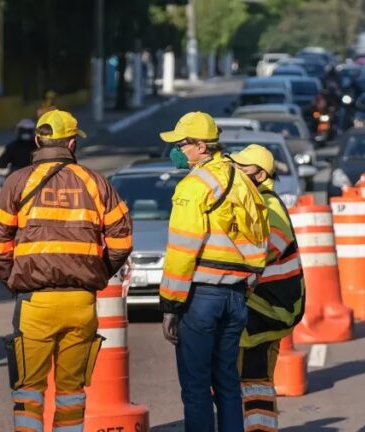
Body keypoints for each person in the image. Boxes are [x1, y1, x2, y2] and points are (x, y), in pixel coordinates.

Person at [0, 109, 133, 432]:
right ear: (71, 144)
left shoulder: (17, 183)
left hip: (35, 304)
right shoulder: (96, 183)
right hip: (81, 304)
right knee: (71, 394)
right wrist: (97, 273)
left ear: (38, 140)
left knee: (28, 393)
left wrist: (14, 279)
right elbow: (122, 241)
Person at [159, 112, 269, 432]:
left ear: (201, 146)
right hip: (236, 296)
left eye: (182, 144)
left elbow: (182, 251)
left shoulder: (193, 187)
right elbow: (260, 238)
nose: (177, 151)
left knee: (196, 387)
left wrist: (170, 305)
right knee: (227, 384)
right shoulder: (243, 182)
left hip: (201, 298)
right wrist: (246, 285)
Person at [227, 145, 305, 432]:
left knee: (254, 382)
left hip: (266, 312)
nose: (236, 174)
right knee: (246, 381)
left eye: (242, 169)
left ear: (260, 174)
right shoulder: (257, 202)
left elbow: (258, 253)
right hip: (260, 309)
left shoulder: (270, 208)